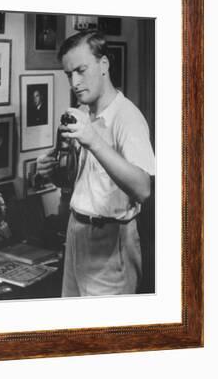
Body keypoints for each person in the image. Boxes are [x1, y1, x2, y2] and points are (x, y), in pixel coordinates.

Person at [37, 29, 155, 297]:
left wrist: (94, 141)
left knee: (104, 335)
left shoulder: (128, 118)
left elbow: (143, 189)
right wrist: (53, 173)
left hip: (111, 241)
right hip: (75, 231)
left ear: (103, 65)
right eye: (69, 74)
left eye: (80, 70)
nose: (74, 82)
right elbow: (79, 182)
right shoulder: (81, 113)